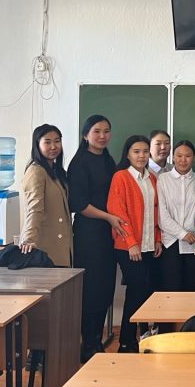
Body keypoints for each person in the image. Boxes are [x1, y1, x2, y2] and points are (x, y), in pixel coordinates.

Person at [68, 114, 125, 362]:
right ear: (85, 135)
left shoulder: (107, 159)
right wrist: (108, 217)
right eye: (97, 131)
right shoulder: (79, 163)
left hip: (107, 234)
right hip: (89, 234)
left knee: (104, 289)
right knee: (91, 290)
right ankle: (88, 343)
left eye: (106, 131)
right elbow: (79, 204)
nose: (102, 136)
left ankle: (95, 340)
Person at [107, 135, 163, 352]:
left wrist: (157, 239)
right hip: (128, 247)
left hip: (149, 245)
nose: (141, 156)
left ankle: (136, 339)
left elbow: (156, 213)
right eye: (136, 152)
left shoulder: (152, 179)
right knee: (136, 290)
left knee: (145, 290)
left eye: (145, 151)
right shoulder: (121, 177)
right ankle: (126, 341)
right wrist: (131, 243)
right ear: (128, 154)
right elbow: (117, 212)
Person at [19, 123, 73, 267]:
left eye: (57, 141)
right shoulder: (36, 171)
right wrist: (29, 239)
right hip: (44, 245)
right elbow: (34, 208)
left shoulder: (56, 171)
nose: (54, 146)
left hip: (61, 243)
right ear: (37, 145)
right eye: (47, 142)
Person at [158, 140, 195, 293]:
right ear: (172, 157)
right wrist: (183, 234)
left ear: (194, 158)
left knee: (190, 290)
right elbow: (162, 215)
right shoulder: (163, 179)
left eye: (187, 156)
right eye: (179, 156)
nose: (183, 160)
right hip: (170, 243)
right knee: (171, 290)